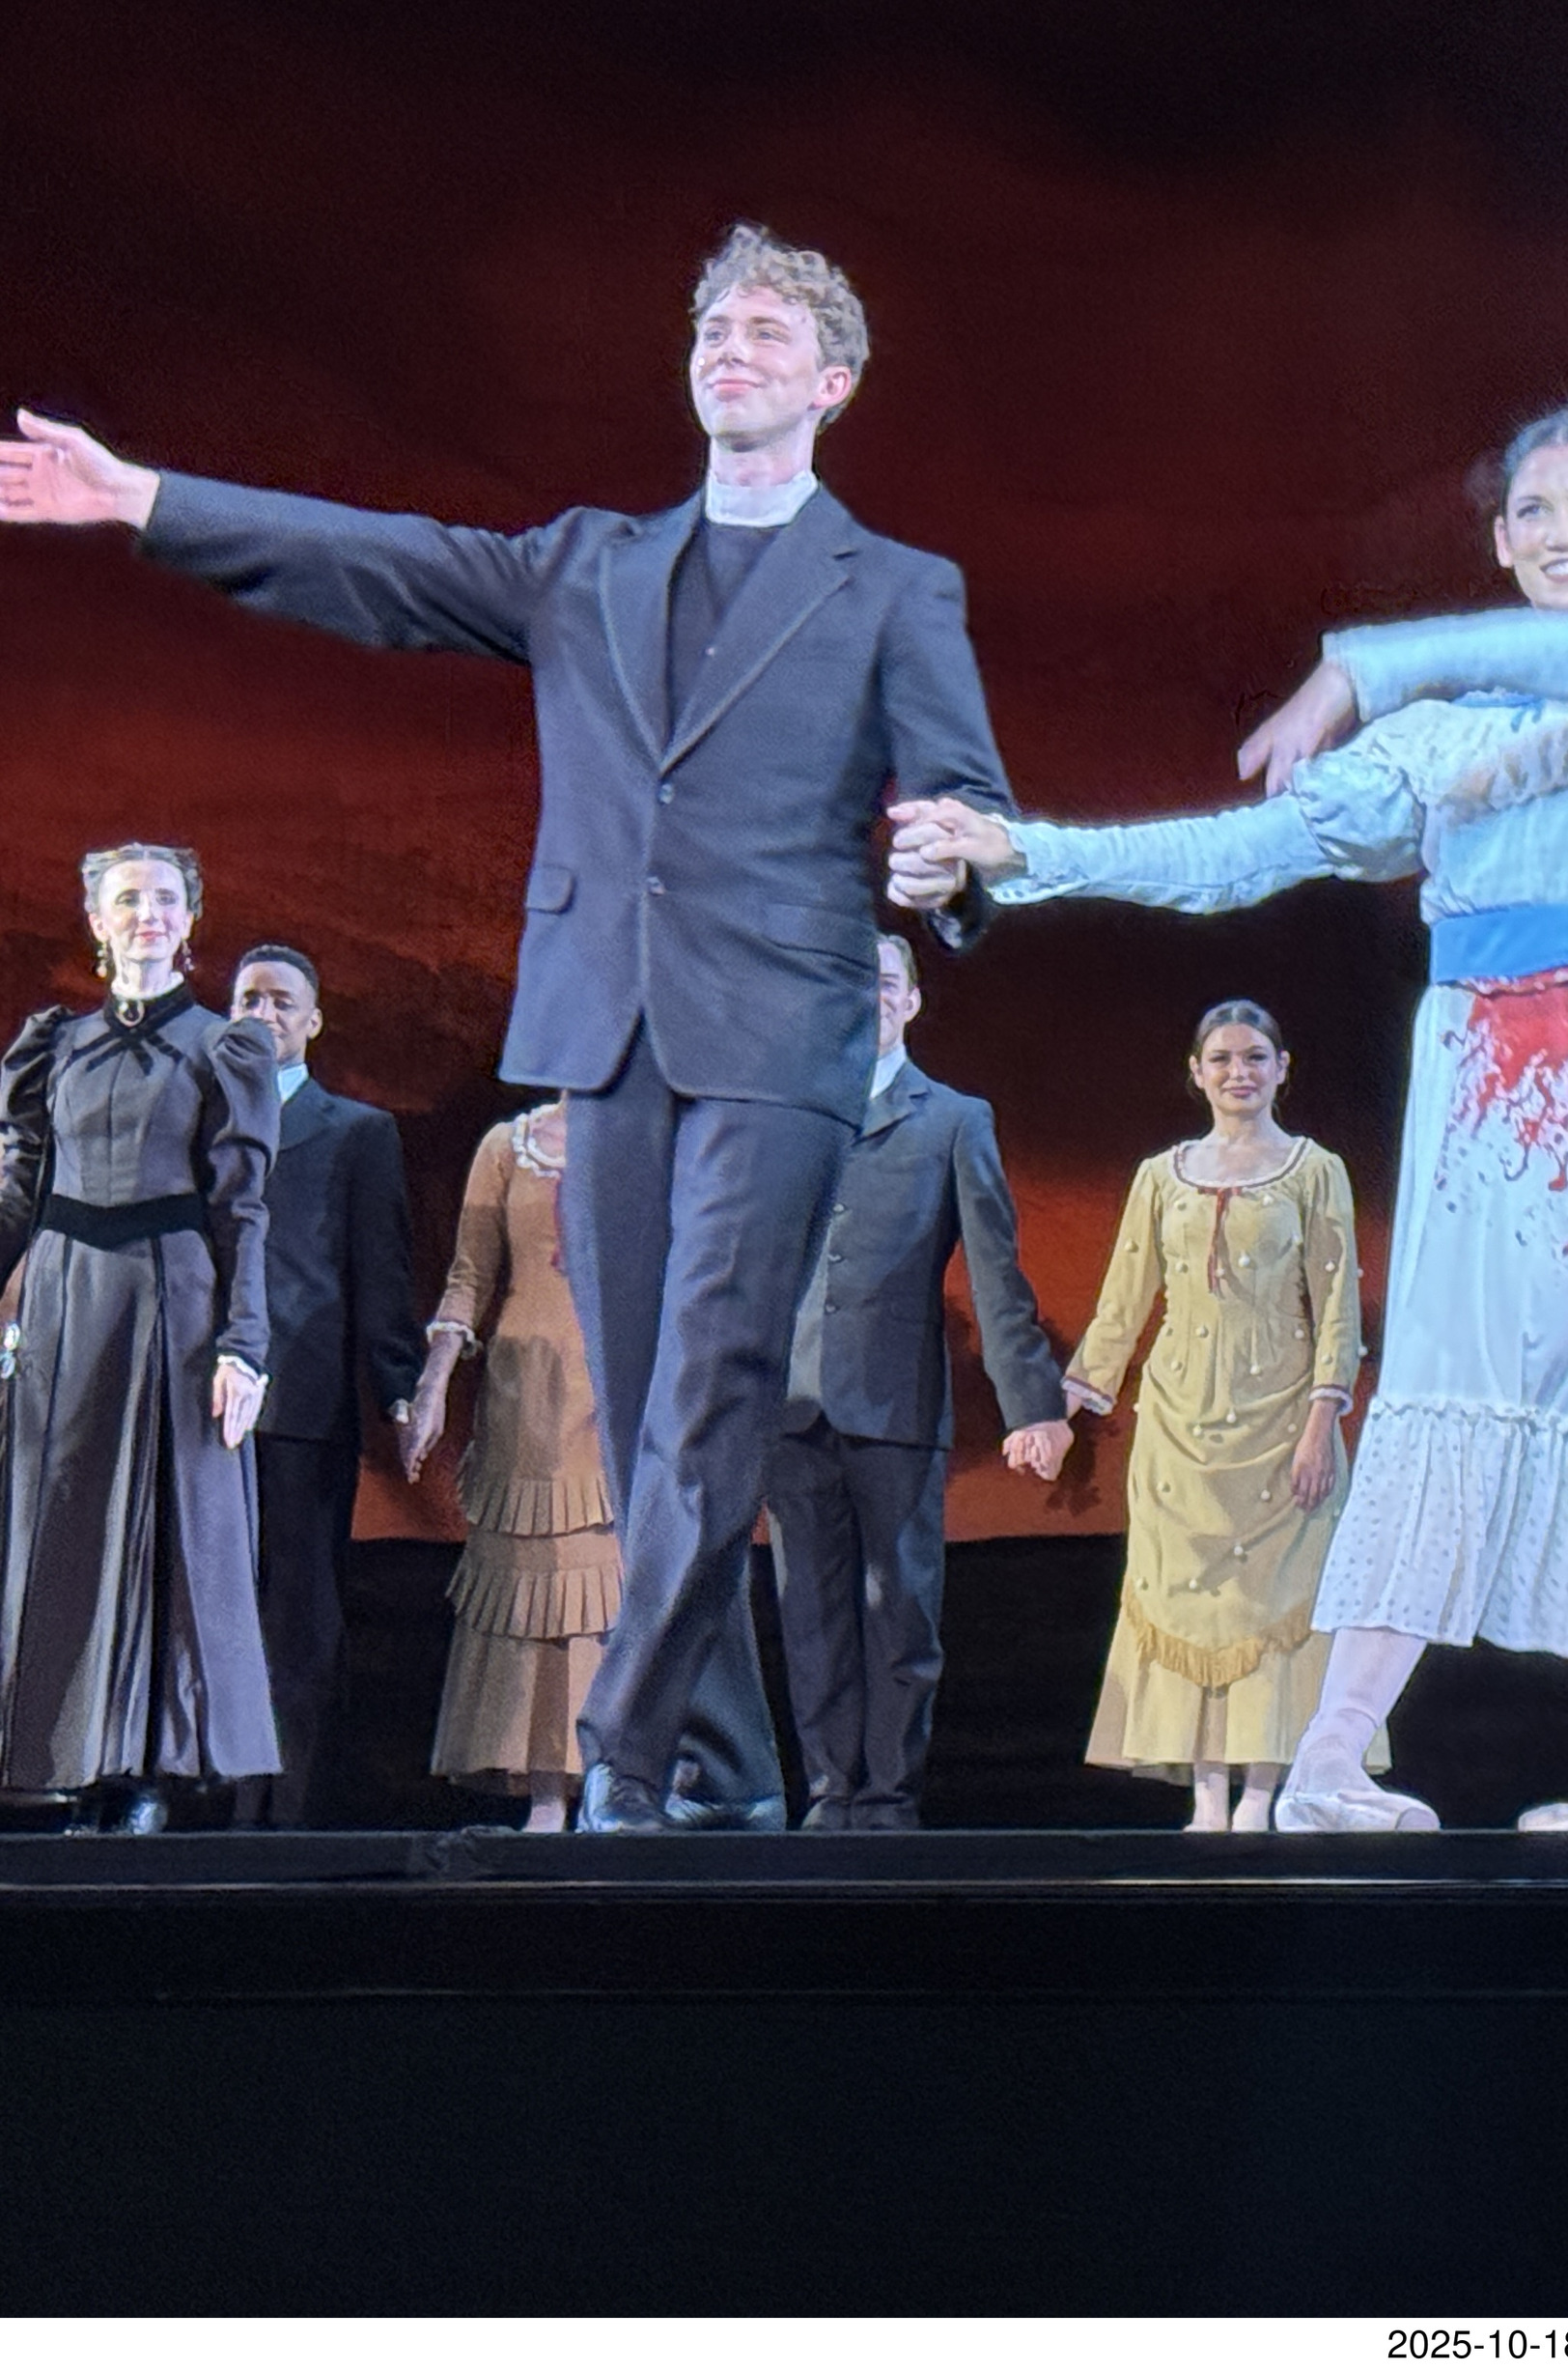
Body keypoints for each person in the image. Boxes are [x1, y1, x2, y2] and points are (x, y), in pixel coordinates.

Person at [1, 226, 1022, 1831]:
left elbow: (970, 806)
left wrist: (955, 857)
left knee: (710, 1389)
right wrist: (141, 498)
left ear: (834, 381)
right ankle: (728, 1766)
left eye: (766, 330)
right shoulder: (589, 564)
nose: (728, 346)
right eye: (712, 326)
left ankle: (625, 1754)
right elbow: (386, 563)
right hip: (607, 1033)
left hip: (781, 1034)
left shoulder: (896, 586)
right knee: (653, 1418)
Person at [889, 403, 1568, 1832]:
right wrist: (1026, 851)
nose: (1562, 531)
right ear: (1501, 544)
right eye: (1533, 511)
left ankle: (1344, 1761)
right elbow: (1245, 850)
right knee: (1476, 1402)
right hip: (1480, 1078)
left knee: (1547, 1406)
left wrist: (1361, 664)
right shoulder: (1437, 740)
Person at [0, 844, 278, 1830]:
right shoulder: (56, 1047)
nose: (147, 914)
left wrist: (244, 1344)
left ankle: (144, 1775)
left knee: (166, 1528)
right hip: (69, 1301)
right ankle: (68, 1761)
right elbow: (19, 1190)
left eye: (166, 899)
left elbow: (243, 1209)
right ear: (97, 920)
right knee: (65, 1523)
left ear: (190, 921)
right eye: (128, 899)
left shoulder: (222, 1048)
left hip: (174, 1301)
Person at [767, 934, 1071, 1832]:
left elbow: (996, 1274)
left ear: (911, 1000)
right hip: (791, 1405)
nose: (871, 996)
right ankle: (830, 1795)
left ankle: (888, 1800)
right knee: (811, 1614)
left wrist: (1032, 1405)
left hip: (896, 1402)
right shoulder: (788, 1116)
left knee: (900, 1612)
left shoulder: (952, 1119)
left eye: (887, 982)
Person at [1068, 1001, 1365, 1831]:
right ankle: (1205, 1798)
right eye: (1223, 1058)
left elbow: (1337, 1308)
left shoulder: (1315, 1170)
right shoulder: (1161, 1175)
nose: (1240, 1072)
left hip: (1283, 1418)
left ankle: (1262, 1796)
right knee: (1188, 1599)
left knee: (1276, 1597)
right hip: (1179, 1419)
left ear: (1282, 1068)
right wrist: (1064, 1405)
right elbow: (1123, 1299)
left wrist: (1322, 1423)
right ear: (1196, 1072)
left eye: (1255, 1057)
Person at [228, 942, 421, 1828]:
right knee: (207, 1608)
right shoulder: (196, 1122)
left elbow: (380, 1270)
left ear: (313, 1021)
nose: (263, 1014)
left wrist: (398, 1389)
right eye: (248, 999)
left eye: (281, 1001)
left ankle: (282, 1811)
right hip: (197, 1408)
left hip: (300, 1407)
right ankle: (197, 1801)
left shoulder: (355, 1132)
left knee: (295, 1618)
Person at [401, 1103, 615, 1833]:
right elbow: (469, 1276)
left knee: (606, 1585)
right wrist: (433, 1384)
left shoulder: (647, 1138)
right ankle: (548, 1795)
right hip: (524, 1398)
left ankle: (617, 1783)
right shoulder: (506, 1146)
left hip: (612, 1392)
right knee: (534, 1587)